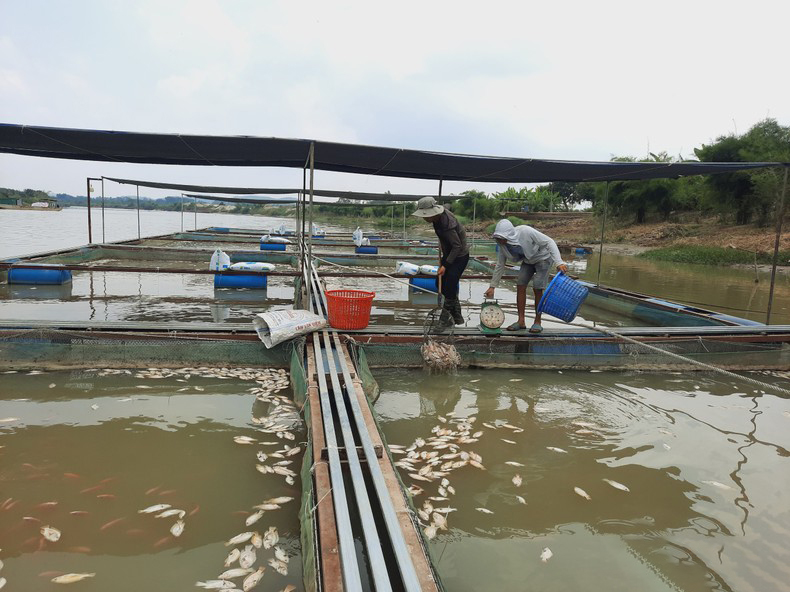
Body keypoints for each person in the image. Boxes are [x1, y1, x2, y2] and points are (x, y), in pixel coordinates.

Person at [483, 219, 568, 333]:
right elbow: (500, 264)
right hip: (528, 260)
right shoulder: (502, 245)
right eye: (497, 238)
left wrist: (559, 262)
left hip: (543, 258)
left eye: (501, 238)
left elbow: (549, 242)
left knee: (537, 288)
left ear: (509, 235)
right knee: (520, 285)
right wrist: (492, 286)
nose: (499, 240)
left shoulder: (526, 231)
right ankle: (521, 321)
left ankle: (537, 322)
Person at [412, 196, 469, 330]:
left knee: (449, 286)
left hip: (459, 256)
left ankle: (445, 321)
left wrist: (446, 265)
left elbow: (457, 246)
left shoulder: (447, 224)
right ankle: (457, 316)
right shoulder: (437, 219)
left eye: (425, 215)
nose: (424, 218)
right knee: (439, 283)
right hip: (448, 254)